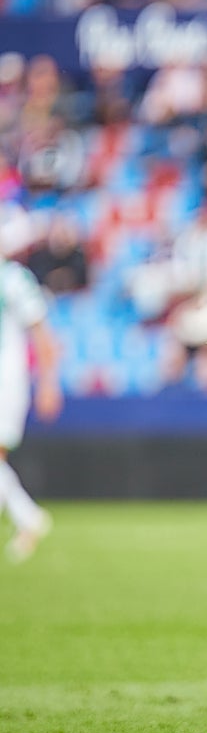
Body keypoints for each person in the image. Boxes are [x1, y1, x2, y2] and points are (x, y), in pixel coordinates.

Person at [0, 221, 62, 562]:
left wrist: (48, 382)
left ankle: (29, 518)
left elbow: (41, 332)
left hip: (6, 380)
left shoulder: (14, 279)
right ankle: (29, 518)